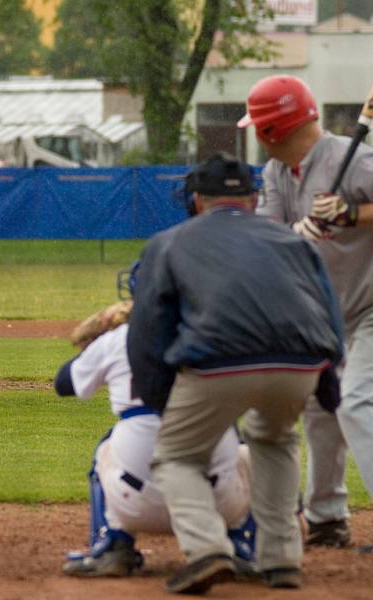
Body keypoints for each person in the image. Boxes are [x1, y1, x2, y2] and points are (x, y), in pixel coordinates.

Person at [127, 152, 344, 594]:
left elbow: (148, 326)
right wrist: (328, 379)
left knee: (177, 456)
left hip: (217, 362)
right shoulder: (293, 241)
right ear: (253, 198)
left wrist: (155, 392)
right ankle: (283, 560)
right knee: (276, 438)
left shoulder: (171, 241)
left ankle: (208, 550)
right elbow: (326, 310)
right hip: (298, 364)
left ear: (197, 201)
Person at [238, 74, 373, 550]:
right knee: (320, 408)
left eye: (256, 126)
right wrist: (302, 231)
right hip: (323, 314)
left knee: (356, 401)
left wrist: (352, 214)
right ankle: (326, 517)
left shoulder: (352, 159)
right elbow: (268, 237)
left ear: (270, 131)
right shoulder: (276, 173)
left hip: (371, 306)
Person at [55, 264, 255, 579]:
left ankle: (112, 547)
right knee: (247, 447)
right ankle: (243, 549)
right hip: (218, 503)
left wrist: (97, 345)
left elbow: (63, 383)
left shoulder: (121, 337)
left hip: (134, 504)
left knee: (110, 445)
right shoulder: (221, 334)